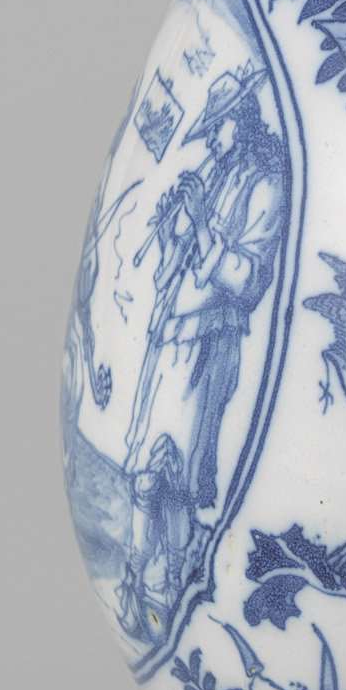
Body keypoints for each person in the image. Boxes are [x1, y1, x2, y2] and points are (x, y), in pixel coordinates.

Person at [119, 63, 287, 632]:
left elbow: (248, 278)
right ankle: (135, 580)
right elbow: (171, 270)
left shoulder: (267, 186)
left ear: (243, 122)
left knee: (182, 480)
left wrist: (201, 226)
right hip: (171, 335)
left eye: (219, 127)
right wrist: (175, 227)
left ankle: (172, 591)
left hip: (212, 341)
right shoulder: (216, 178)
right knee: (146, 473)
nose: (212, 140)